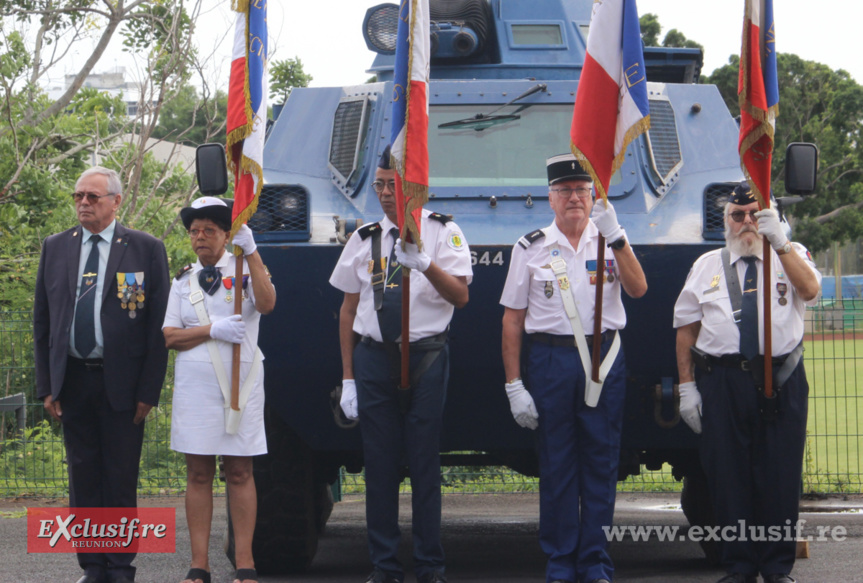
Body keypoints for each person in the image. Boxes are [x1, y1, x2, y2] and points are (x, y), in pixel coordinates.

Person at [500, 153, 647, 583]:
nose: (574, 198)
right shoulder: (529, 247)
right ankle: (561, 560)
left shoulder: (610, 240)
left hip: (603, 360)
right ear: (550, 198)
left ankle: (595, 561)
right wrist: (514, 384)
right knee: (558, 464)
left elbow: (638, 289)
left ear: (593, 195)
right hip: (549, 361)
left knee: (601, 462)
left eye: (582, 190)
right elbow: (512, 319)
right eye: (564, 191)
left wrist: (616, 236)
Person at [329, 145, 472, 583]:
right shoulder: (364, 238)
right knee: (380, 466)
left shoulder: (443, 233)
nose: (386, 193)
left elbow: (461, 297)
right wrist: (348, 378)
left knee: (425, 466)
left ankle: (430, 565)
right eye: (380, 185)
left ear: (413, 186)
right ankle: (385, 565)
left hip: (426, 357)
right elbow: (348, 313)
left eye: (393, 185)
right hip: (374, 360)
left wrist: (425, 264)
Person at [673, 182, 821, 583]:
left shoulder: (792, 256)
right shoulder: (706, 265)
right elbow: (686, 329)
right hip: (723, 382)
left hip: (781, 379)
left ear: (769, 217)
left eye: (755, 214)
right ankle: (738, 566)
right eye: (737, 216)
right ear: (726, 222)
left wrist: (781, 242)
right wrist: (687, 388)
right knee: (728, 477)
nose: (747, 223)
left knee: (780, 477)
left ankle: (776, 568)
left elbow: (809, 290)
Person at [33, 166, 170, 583]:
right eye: (78, 196)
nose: (83, 203)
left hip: (123, 385)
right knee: (83, 477)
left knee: (120, 476)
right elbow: (43, 322)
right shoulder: (55, 247)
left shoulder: (144, 249)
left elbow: (155, 327)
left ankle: (120, 566)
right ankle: (92, 566)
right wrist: (46, 386)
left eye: (92, 196)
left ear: (116, 201)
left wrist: (149, 390)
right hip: (72, 380)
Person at [162, 197, 276, 583]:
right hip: (196, 385)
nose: (200, 238)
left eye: (209, 230)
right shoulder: (182, 279)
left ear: (227, 234)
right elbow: (170, 336)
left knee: (241, 470)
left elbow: (267, 302)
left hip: (240, 383)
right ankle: (199, 563)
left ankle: (245, 562)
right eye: (194, 231)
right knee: (197, 472)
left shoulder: (245, 269)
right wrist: (211, 329)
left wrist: (253, 250)